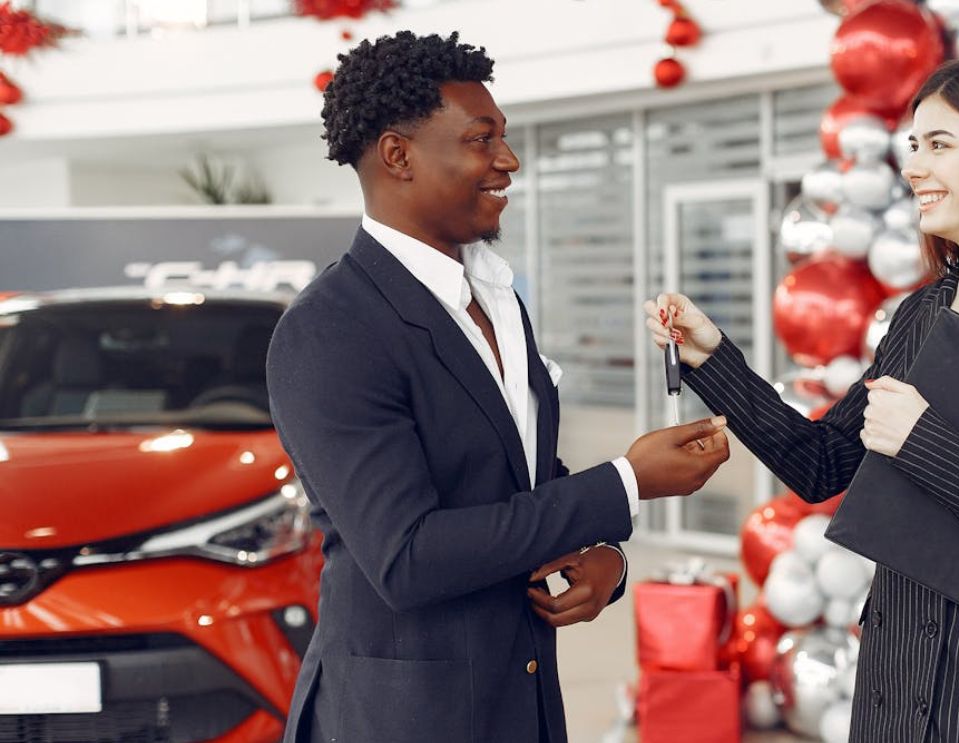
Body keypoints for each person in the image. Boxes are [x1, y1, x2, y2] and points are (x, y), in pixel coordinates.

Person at [646, 58, 959, 742]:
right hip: (892, 682)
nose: (913, 167)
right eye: (912, 145)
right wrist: (711, 356)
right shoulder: (918, 315)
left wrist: (923, 440)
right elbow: (822, 463)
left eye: (939, 144)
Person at [267, 31, 729, 743]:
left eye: (503, 138)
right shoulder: (329, 329)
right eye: (482, 140)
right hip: (405, 720)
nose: (508, 160)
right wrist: (627, 482)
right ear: (398, 155)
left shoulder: (496, 297)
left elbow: (519, 480)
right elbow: (408, 557)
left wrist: (606, 558)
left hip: (522, 703)